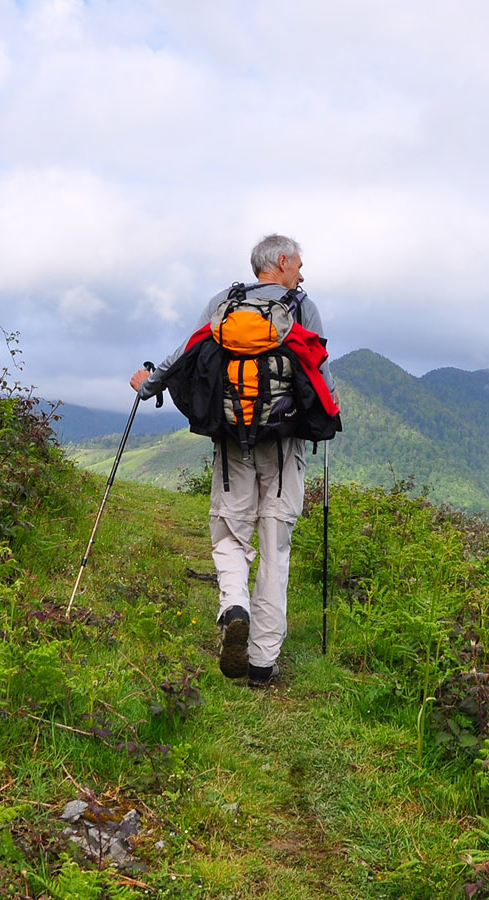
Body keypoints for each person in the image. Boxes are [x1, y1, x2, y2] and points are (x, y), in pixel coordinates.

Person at [129, 234, 334, 689]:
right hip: (283, 446)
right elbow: (319, 368)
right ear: (281, 261)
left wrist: (147, 384)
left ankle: (234, 605)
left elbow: (185, 353)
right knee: (274, 549)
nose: (302, 274)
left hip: (230, 443)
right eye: (299, 265)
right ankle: (262, 662)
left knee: (229, 533)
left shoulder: (225, 302)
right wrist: (330, 415)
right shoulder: (301, 307)